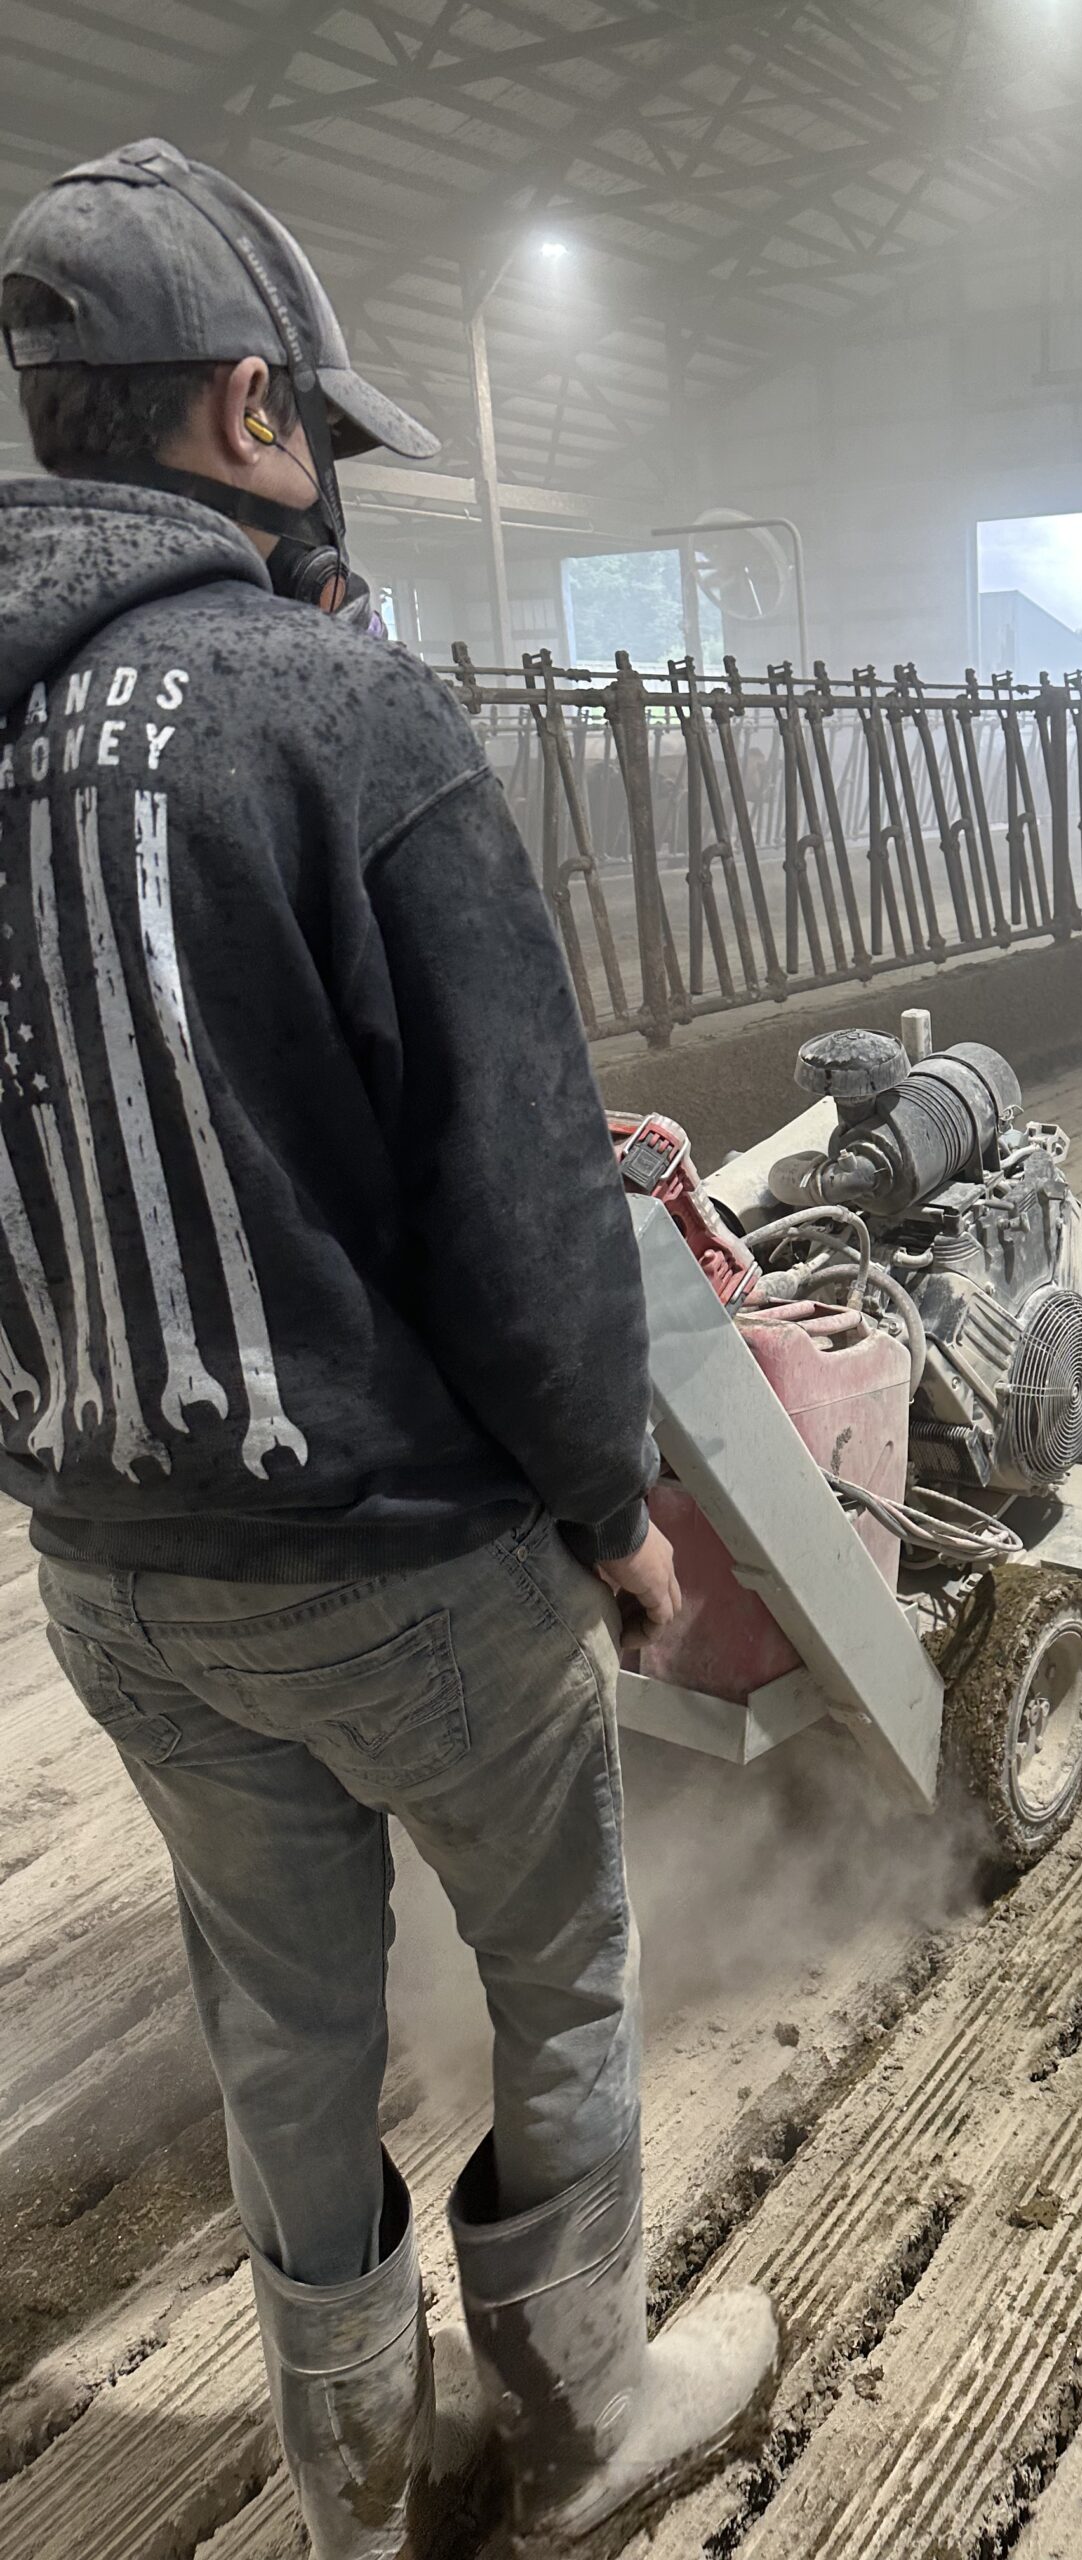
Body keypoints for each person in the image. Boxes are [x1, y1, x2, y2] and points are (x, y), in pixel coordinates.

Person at [0, 139, 775, 2557]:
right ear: (247, 412)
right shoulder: (344, 713)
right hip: (407, 1556)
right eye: (315, 429)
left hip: (116, 1562)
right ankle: (585, 2414)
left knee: (283, 2014)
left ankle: (354, 2479)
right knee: (556, 1965)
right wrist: (609, 1511)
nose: (325, 472)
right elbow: (521, 1202)